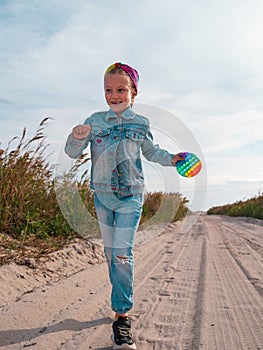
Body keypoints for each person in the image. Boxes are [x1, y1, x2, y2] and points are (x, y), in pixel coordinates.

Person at [65, 62, 184, 349]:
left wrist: (174, 159)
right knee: (111, 252)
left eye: (121, 89)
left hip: (131, 195)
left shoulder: (141, 124)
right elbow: (72, 152)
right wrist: (77, 137)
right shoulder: (94, 120)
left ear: (133, 92)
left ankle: (122, 316)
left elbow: (152, 152)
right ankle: (120, 300)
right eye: (108, 90)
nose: (114, 95)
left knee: (121, 253)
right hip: (102, 196)